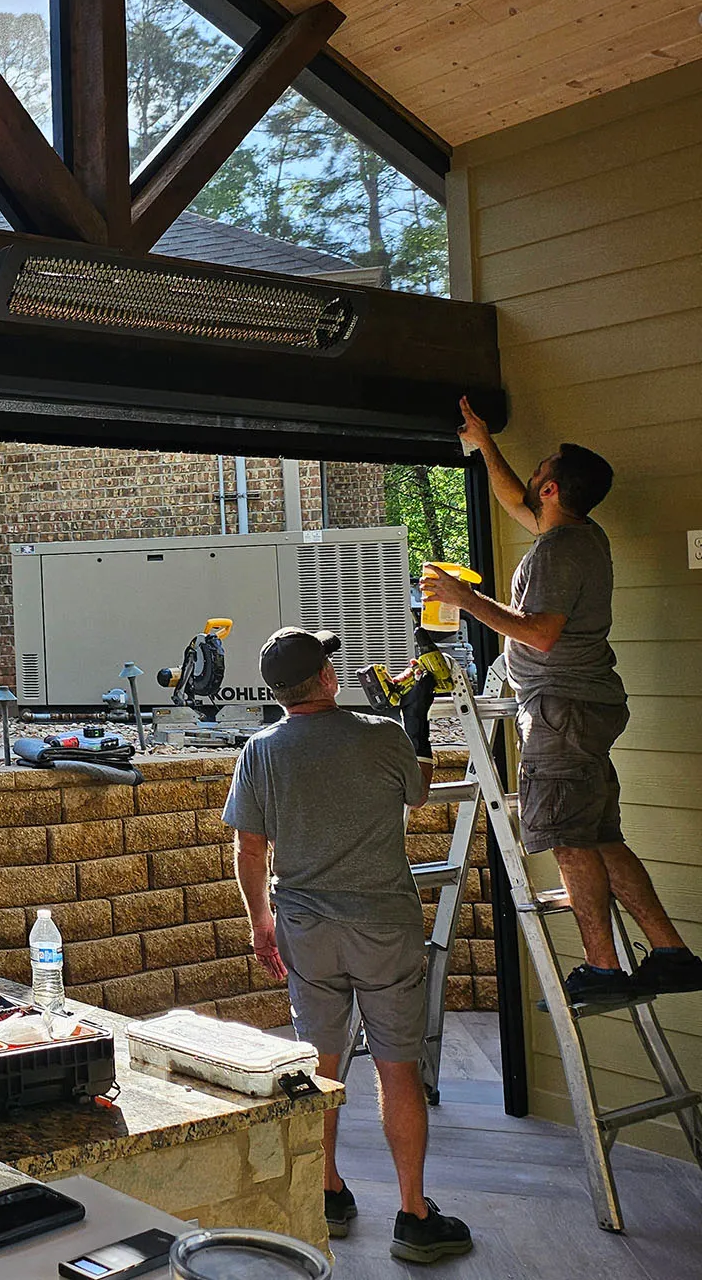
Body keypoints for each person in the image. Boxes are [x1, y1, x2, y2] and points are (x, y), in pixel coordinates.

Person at [422, 399, 701, 1006]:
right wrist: (484, 443)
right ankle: (672, 954)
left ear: (550, 488)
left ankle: (602, 970)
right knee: (600, 835)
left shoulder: (554, 553)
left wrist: (462, 599)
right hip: (585, 705)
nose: (529, 482)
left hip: (560, 708)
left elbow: (541, 633)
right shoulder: (581, 534)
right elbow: (515, 500)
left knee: (571, 840)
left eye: (538, 473)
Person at [225, 626, 473, 1264]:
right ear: (329, 680)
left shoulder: (259, 751)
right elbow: (418, 792)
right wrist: (409, 721)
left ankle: (329, 1192)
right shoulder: (380, 736)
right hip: (384, 926)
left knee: (320, 1065)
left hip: (305, 928)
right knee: (398, 1068)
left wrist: (260, 922)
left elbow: (250, 849)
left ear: (276, 691)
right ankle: (414, 1216)